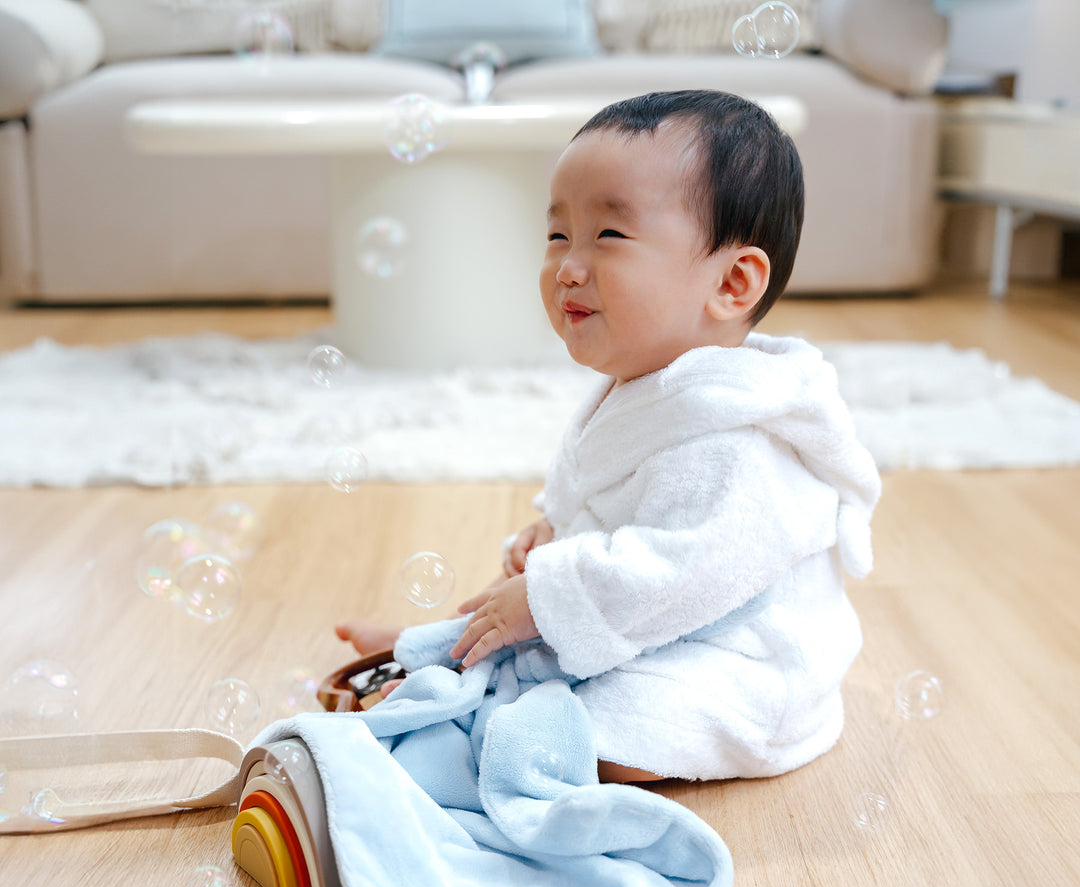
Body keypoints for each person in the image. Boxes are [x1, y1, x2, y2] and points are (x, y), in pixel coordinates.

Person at [336, 89, 881, 783]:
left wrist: (549, 593)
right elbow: (614, 508)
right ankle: (440, 652)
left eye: (610, 237)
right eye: (558, 235)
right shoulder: (646, 387)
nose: (568, 264)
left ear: (733, 283)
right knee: (539, 629)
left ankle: (464, 710)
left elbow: (683, 569)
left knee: (613, 732)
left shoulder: (740, 440)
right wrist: (557, 538)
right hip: (654, 621)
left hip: (740, 662)